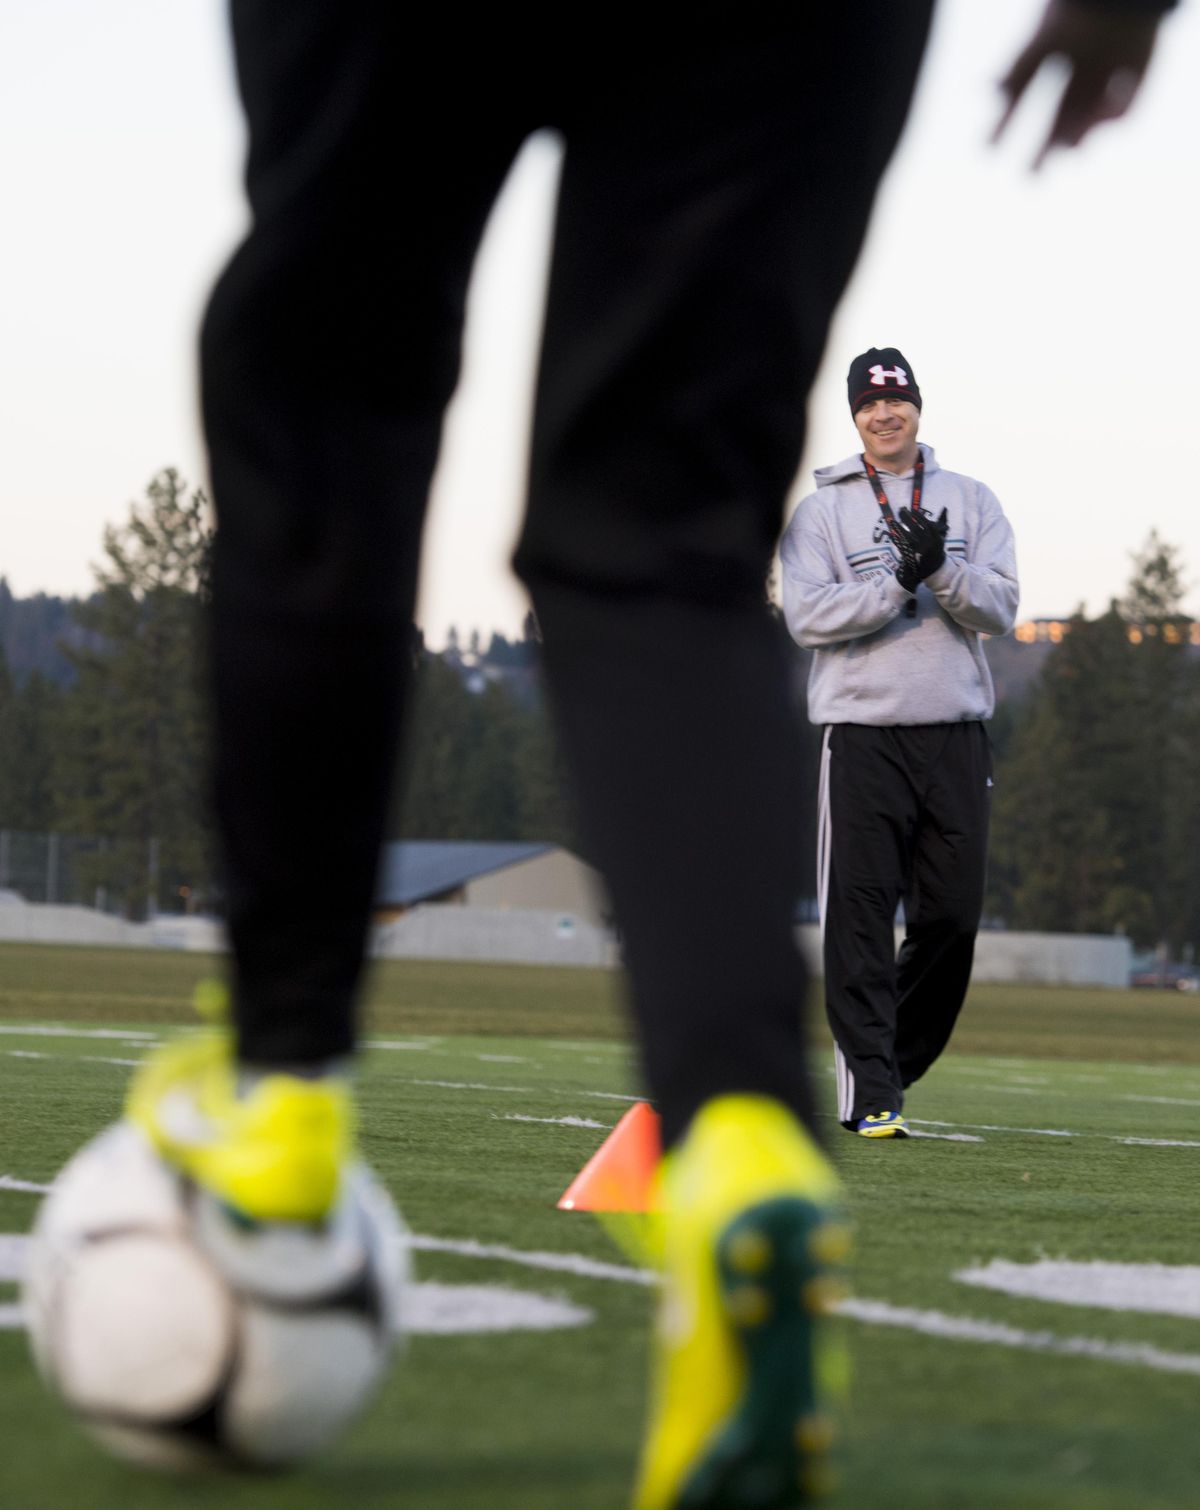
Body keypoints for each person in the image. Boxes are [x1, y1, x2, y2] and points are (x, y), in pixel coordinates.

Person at [121, 2, 1178, 1506]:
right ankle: (740, 1134)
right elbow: (797, 606)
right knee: (657, 533)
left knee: (330, 406)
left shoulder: (975, 495)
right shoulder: (837, 505)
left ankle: (278, 1095)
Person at [780, 350, 1019, 1139]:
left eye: (897, 401)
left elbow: (1002, 608)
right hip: (860, 738)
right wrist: (892, 585)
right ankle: (870, 1089)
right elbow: (807, 617)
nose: (885, 416)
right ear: (854, 416)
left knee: (952, 920)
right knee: (859, 918)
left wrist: (941, 569)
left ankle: (887, 1062)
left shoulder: (971, 499)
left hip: (954, 734)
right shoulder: (821, 514)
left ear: (917, 407)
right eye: (869, 406)